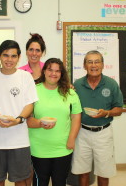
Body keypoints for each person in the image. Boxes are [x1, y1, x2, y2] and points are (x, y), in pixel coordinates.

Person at [0, 40, 38, 186]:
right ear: (0, 56)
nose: (9, 60)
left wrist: (18, 120)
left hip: (19, 139)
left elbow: (29, 104)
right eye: (5, 55)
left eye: (13, 56)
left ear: (18, 57)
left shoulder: (25, 77)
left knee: (20, 180)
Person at [71, 50, 123, 186]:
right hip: (82, 133)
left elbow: (119, 109)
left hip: (103, 134)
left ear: (102, 65)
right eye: (90, 62)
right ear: (84, 65)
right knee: (83, 172)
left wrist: (106, 113)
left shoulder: (111, 84)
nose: (94, 65)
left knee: (104, 172)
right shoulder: (77, 85)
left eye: (97, 61)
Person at [27, 58, 82, 186]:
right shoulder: (33, 90)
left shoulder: (70, 93)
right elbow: (27, 119)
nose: (54, 73)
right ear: (44, 71)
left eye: (58, 71)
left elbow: (76, 118)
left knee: (60, 182)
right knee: (40, 183)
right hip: (38, 148)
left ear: (61, 74)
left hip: (63, 148)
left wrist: (72, 139)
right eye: (50, 69)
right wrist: (40, 123)